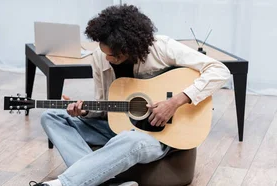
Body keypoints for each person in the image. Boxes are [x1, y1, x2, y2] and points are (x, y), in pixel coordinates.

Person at [29, 4, 230, 186]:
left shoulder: (161, 48)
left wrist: (175, 102)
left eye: (115, 56)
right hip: (118, 129)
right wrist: (84, 111)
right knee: (51, 116)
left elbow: (219, 70)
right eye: (104, 52)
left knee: (130, 139)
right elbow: (104, 107)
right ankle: (103, 182)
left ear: (132, 48)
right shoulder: (100, 58)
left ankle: (63, 184)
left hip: (158, 137)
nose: (108, 59)